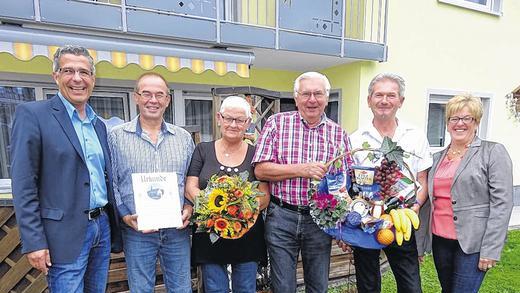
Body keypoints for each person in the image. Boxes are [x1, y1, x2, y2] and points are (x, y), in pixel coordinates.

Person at [10, 45, 122, 292]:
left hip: (101, 227)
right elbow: (23, 183)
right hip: (63, 234)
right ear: (56, 76)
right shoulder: (33, 115)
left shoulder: (98, 125)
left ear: (93, 79)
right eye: (68, 70)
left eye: (84, 72)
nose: (77, 79)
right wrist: (34, 242)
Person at [253, 71, 351, 293]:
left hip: (320, 220)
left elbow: (343, 184)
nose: (312, 100)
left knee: (318, 286)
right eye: (306, 94)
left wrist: (343, 225)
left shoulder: (339, 134)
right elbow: (260, 170)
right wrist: (301, 169)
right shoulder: (276, 124)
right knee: (283, 287)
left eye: (318, 93)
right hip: (281, 216)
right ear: (296, 98)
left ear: (327, 97)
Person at [341, 73, 432, 293]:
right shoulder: (354, 139)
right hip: (366, 222)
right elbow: (347, 185)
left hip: (401, 218)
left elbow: (422, 180)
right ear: (369, 100)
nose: (384, 100)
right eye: (378, 95)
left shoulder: (415, 136)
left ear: (401, 101)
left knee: (411, 285)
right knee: (368, 285)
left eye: (391, 95)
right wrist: (347, 224)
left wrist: (416, 206)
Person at [416, 95, 513, 293]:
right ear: (448, 123)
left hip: (473, 243)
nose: (460, 123)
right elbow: (427, 202)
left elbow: (502, 204)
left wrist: (491, 249)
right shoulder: (436, 158)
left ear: (476, 122)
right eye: (454, 118)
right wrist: (420, 244)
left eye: (466, 118)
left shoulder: (492, 152)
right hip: (440, 240)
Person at [108, 72, 195, 293]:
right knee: (140, 289)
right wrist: (124, 215)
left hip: (177, 230)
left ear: (168, 100)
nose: (152, 100)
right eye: (146, 94)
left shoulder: (183, 138)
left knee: (181, 288)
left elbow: (191, 179)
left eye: (159, 95)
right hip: (137, 230)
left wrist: (189, 206)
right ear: (136, 97)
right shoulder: (116, 137)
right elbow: (112, 181)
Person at [186, 96, 270, 293]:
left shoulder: (256, 153)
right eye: (228, 118)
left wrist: (238, 213)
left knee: (246, 288)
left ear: (248, 123)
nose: (233, 124)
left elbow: (264, 195)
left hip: (247, 234)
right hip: (210, 233)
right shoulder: (202, 150)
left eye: (240, 120)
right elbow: (190, 188)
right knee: (215, 289)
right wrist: (217, 211)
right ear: (219, 118)